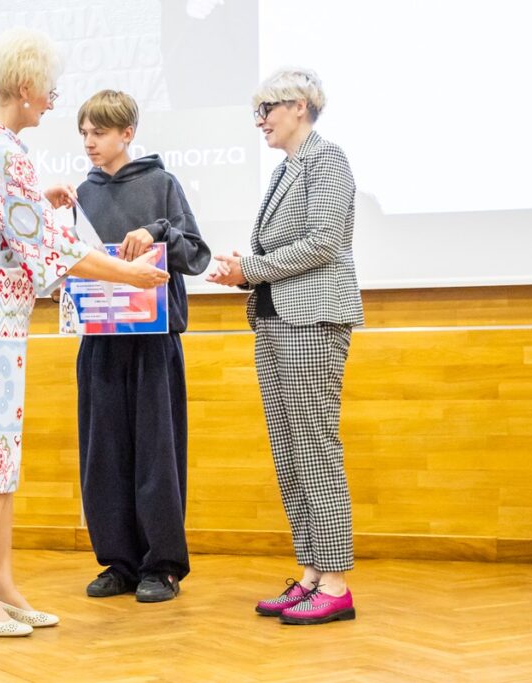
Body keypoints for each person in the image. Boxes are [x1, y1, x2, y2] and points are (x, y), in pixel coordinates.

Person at [0, 28, 170, 638]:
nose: (53, 102)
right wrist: (131, 273)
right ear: (25, 86)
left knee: (0, 459)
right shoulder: (0, 150)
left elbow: (11, 223)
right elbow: (49, 248)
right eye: (49, 91)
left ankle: (0, 586)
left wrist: (38, 197)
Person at [207, 68, 364, 625]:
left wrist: (248, 268)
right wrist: (245, 272)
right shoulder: (284, 171)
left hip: (314, 321)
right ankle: (313, 574)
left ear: (300, 106)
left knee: (316, 452)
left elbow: (323, 242)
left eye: (267, 109)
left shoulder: (328, 160)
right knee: (290, 449)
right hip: (276, 321)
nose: (260, 121)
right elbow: (285, 249)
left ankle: (337, 582)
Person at [75, 90, 211, 603]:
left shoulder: (161, 183)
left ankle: (162, 564)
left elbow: (196, 253)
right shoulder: (82, 196)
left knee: (157, 452)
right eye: (84, 134)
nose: (90, 143)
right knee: (102, 453)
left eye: (100, 133)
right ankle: (119, 562)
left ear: (126, 134)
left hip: (153, 342)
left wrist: (156, 231)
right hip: (99, 341)